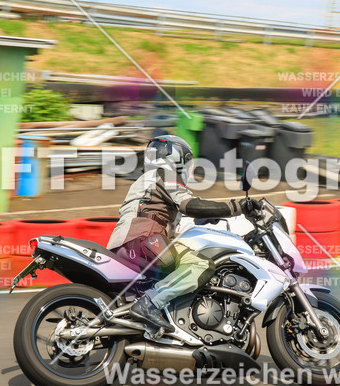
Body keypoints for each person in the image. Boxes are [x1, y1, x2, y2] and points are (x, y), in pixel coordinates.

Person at [107, 135, 254, 331]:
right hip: (143, 242)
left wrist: (209, 216)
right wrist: (237, 207)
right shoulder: (166, 175)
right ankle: (149, 304)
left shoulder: (150, 180)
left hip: (127, 246)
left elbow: (178, 215)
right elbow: (190, 205)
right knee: (201, 264)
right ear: (178, 159)